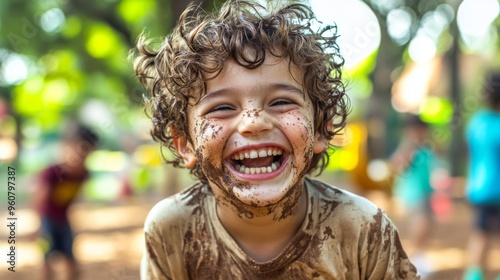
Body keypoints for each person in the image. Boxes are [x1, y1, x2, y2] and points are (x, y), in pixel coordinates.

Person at [132, 1, 419, 279]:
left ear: (320, 128)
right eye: (221, 107)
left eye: (281, 102)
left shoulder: (362, 228)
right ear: (185, 143)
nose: (254, 122)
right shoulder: (173, 230)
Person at [31, 122, 99, 280]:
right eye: (80, 149)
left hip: (63, 221)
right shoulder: (52, 173)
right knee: (47, 260)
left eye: (87, 151)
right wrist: (38, 225)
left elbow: (74, 198)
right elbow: (40, 198)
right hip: (48, 221)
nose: (82, 156)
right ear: (68, 145)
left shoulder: (83, 174)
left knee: (70, 258)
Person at [462, 71, 500, 280]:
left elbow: (472, 155)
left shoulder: (476, 123)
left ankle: (474, 275)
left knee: (480, 234)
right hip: (497, 190)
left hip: (479, 189)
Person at [389, 114, 436, 277]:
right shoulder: (409, 146)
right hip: (412, 194)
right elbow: (395, 165)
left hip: (425, 193)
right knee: (420, 226)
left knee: (426, 226)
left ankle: (419, 256)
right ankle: (412, 260)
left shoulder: (424, 147)